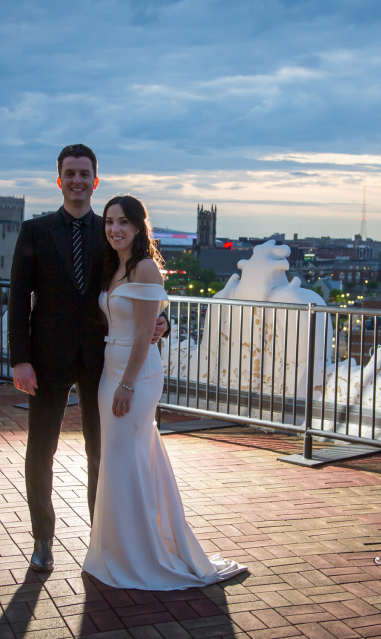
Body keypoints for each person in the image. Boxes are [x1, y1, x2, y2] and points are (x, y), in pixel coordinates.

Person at [7, 145, 167, 572]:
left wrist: (163, 319)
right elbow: (18, 298)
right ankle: (43, 538)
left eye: (85, 173)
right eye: (70, 173)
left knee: (103, 453)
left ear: (95, 180)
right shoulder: (35, 231)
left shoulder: (111, 229)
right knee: (40, 451)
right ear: (58, 179)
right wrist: (20, 358)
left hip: (101, 361)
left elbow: (139, 277)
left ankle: (102, 539)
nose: (77, 180)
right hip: (46, 360)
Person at [81, 195, 247, 590]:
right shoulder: (114, 266)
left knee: (127, 458)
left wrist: (126, 383)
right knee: (123, 457)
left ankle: (141, 555)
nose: (114, 229)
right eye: (108, 222)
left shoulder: (144, 269)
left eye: (123, 222)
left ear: (139, 227)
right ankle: (118, 549)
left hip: (135, 374)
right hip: (111, 369)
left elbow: (144, 332)